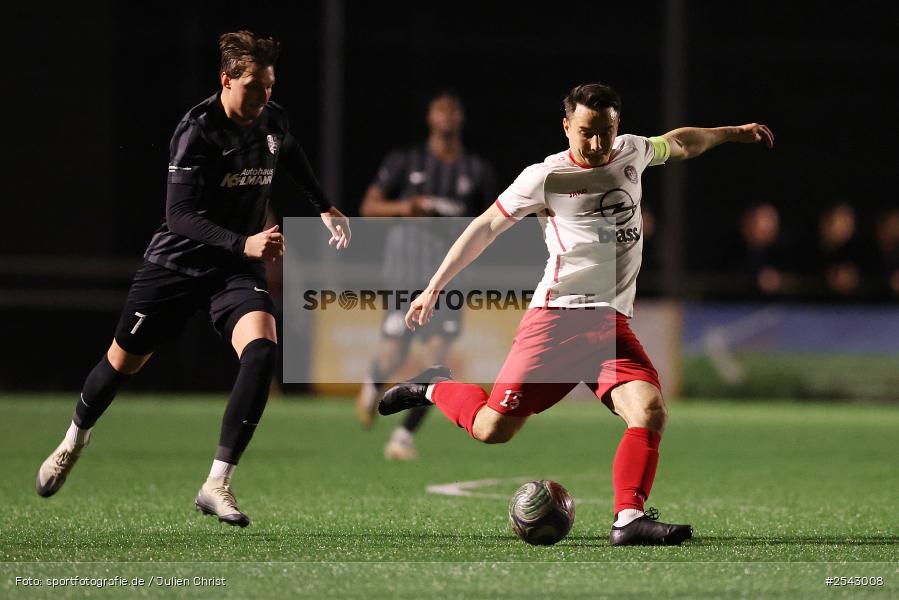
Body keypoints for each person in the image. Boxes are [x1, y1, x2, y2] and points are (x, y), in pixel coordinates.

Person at [379, 83, 773, 545]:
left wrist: (733, 132)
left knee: (649, 410)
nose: (598, 143)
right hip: (557, 320)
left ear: (618, 126)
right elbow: (485, 226)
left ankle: (628, 519)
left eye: (606, 131)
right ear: (566, 126)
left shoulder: (632, 152)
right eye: (587, 132)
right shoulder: (545, 177)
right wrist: (434, 287)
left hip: (609, 326)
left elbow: (682, 142)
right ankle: (433, 386)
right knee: (492, 429)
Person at [35, 31, 351, 528]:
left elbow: (287, 151)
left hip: (234, 269)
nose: (264, 95)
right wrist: (243, 243)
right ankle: (74, 439)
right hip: (177, 264)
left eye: (270, 86)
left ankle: (216, 483)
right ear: (226, 80)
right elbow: (178, 216)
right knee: (121, 363)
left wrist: (324, 206)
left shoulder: (273, 117)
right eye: (253, 86)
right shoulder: (197, 130)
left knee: (262, 351)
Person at [354, 91, 496, 460]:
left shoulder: (476, 170)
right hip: (405, 273)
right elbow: (368, 206)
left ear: (460, 118)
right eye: (440, 110)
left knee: (437, 359)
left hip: (450, 279)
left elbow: (492, 221)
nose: (447, 116)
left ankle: (403, 436)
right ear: (430, 118)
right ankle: (373, 383)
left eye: (453, 110)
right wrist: (405, 206)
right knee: (393, 351)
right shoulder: (407, 160)